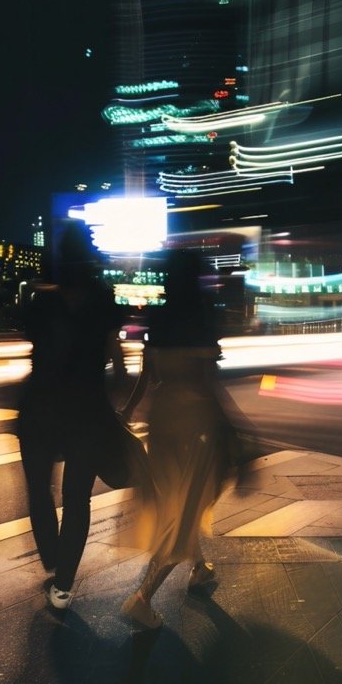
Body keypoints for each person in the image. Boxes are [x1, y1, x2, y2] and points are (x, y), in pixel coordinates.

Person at [118, 247, 243, 629]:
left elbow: (146, 376)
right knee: (187, 509)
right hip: (196, 424)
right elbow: (208, 383)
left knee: (180, 498)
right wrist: (236, 430)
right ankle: (142, 598)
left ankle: (200, 567)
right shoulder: (202, 315)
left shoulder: (160, 314)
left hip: (162, 420)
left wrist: (126, 413)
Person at [17, 222, 128, 611]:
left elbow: (30, 338)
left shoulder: (40, 304)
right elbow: (118, 365)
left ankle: (51, 557)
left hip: (40, 409)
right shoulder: (104, 301)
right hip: (87, 411)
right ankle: (63, 585)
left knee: (38, 490)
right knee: (77, 499)